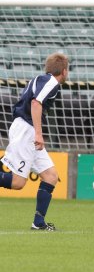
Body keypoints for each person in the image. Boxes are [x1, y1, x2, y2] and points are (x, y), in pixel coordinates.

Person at [0, 53, 69, 231]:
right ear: (63, 71)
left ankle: (38, 223)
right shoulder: (52, 83)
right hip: (27, 130)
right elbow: (36, 103)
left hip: (25, 128)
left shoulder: (40, 79)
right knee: (17, 183)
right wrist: (38, 133)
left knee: (51, 176)